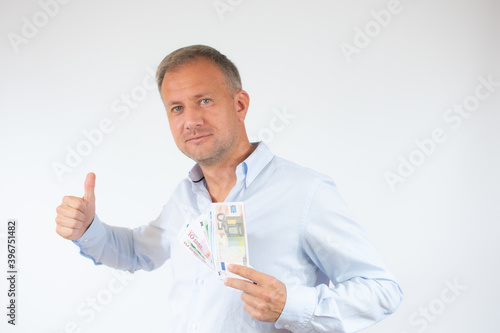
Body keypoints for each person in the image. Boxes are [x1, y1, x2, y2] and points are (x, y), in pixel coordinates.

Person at [55, 45, 403, 333]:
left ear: (240, 105)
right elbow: (136, 252)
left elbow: (382, 291)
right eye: (177, 108)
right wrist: (89, 229)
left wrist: (291, 305)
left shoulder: (306, 192)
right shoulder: (184, 196)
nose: (190, 120)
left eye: (204, 100)